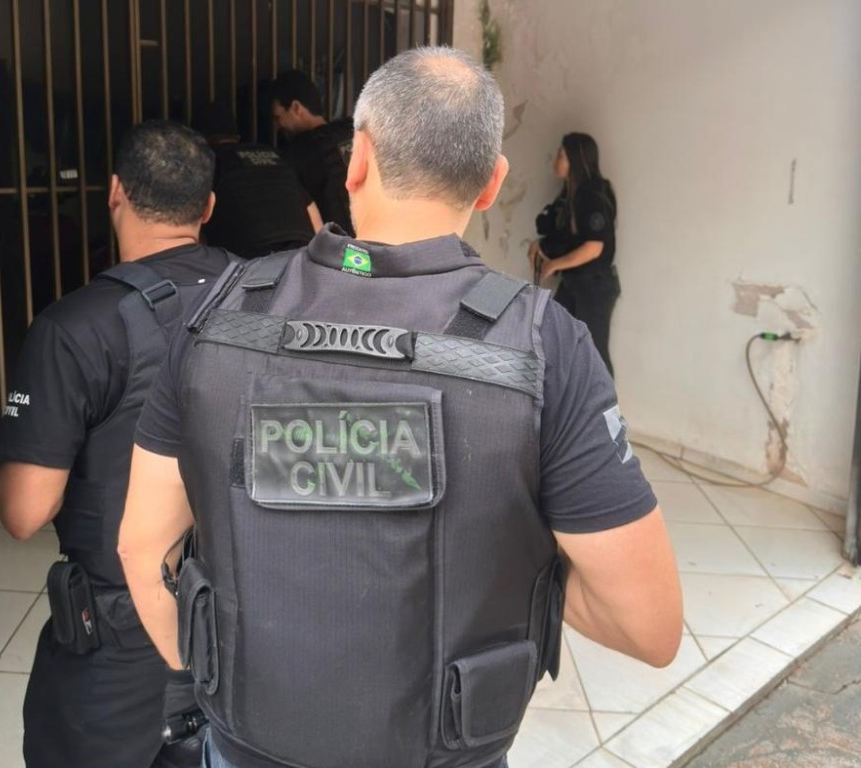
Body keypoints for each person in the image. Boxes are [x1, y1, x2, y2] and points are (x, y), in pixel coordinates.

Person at [120, 48, 682, 768]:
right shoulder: (544, 345)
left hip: (244, 744)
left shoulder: (219, 311)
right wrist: (504, 549)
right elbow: (646, 626)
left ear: (356, 160)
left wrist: (213, 677)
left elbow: (142, 547)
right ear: (491, 184)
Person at [0, 120, 233, 768]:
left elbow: (24, 512)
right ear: (207, 208)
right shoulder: (268, 304)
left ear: (115, 192)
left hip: (120, 643)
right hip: (247, 623)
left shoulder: (76, 327)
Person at [529, 132, 620, 376]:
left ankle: (604, 401)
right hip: (575, 283)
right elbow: (568, 238)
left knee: (594, 352)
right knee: (555, 339)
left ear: (575, 160)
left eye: (561, 155)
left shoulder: (590, 195)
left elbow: (594, 247)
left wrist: (554, 264)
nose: (555, 160)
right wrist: (542, 246)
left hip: (593, 286)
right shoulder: (571, 194)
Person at [196, 101, 321, 259]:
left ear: (200, 140)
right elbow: (311, 210)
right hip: (301, 251)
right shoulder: (275, 156)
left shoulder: (208, 163)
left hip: (251, 259)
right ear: (237, 136)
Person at [270, 69, 355, 235]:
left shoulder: (298, 152)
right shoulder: (352, 132)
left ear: (296, 108)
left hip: (337, 243)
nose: (277, 126)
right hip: (378, 237)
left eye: (278, 117)